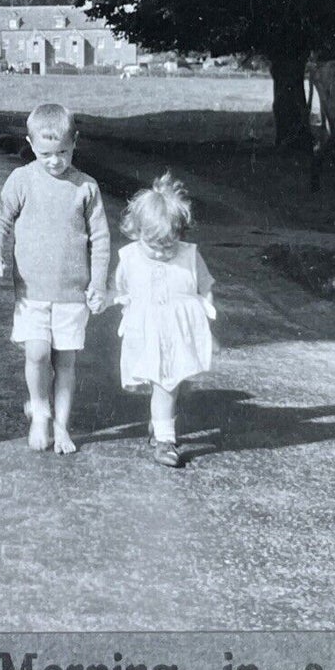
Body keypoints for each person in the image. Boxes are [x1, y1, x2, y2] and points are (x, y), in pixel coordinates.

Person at [0, 102, 109, 454]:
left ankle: (62, 427)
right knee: (37, 353)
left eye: (63, 152)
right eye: (45, 153)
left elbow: (100, 240)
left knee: (65, 361)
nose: (55, 161)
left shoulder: (86, 187)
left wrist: (98, 284)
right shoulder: (22, 179)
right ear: (30, 143)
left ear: (75, 142)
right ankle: (40, 410)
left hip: (72, 293)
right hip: (31, 290)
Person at [112, 174, 217, 468]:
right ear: (135, 231)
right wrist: (109, 300)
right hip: (148, 332)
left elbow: (205, 285)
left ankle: (159, 424)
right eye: (153, 244)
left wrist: (207, 317)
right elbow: (120, 288)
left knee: (177, 384)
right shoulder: (131, 257)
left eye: (168, 245)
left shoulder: (189, 255)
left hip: (181, 331)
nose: (160, 252)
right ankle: (165, 441)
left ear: (180, 234)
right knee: (165, 384)